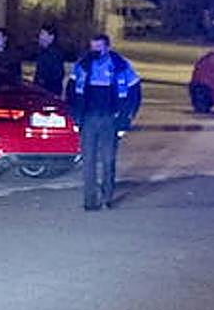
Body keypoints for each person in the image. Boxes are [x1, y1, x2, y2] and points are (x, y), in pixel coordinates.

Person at [67, 33, 141, 211]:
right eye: (93, 47)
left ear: (107, 47)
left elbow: (134, 93)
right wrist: (76, 118)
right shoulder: (82, 66)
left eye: (99, 47)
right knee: (89, 161)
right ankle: (90, 201)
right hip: (88, 118)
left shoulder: (120, 66)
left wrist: (124, 121)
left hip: (110, 119)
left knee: (108, 160)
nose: (95, 51)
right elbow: (71, 92)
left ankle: (107, 197)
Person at [33, 23, 66, 96]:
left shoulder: (55, 54)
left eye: (43, 34)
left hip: (49, 92)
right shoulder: (41, 52)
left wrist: (42, 81)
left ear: (51, 37)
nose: (40, 37)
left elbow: (57, 74)